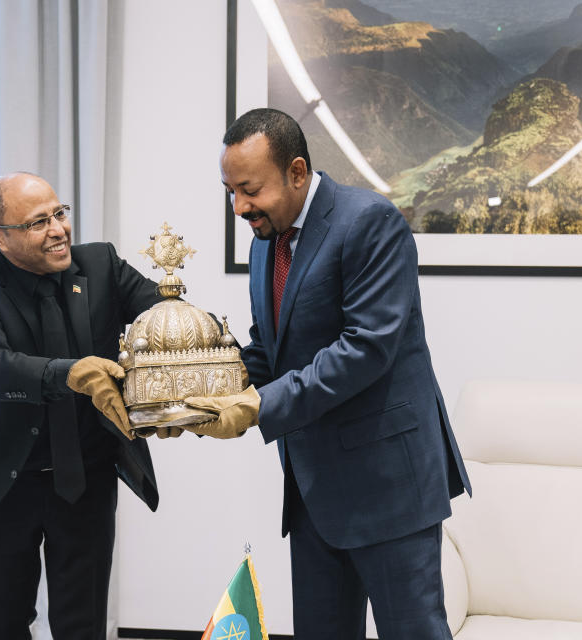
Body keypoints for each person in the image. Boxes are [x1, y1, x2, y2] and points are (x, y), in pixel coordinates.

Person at [178, 108, 471, 639]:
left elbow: (364, 349)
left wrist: (259, 407)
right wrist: (198, 391)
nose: (240, 207)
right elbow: (270, 351)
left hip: (389, 486)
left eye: (249, 189)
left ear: (295, 171)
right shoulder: (266, 241)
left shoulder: (369, 222)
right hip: (313, 487)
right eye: (230, 192)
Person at [0, 172, 162, 639]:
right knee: (3, 626)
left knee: (81, 627)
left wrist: (184, 384)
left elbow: (164, 322)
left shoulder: (101, 264)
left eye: (60, 213)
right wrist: (69, 373)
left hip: (85, 480)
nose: (59, 229)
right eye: (38, 222)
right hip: (4, 485)